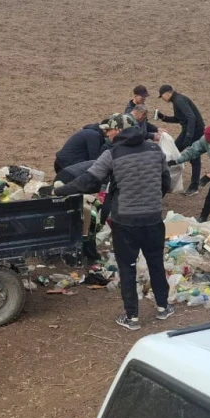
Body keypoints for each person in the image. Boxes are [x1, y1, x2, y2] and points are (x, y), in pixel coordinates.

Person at [51, 114, 173, 331]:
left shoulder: (112, 154)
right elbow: (166, 181)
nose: (106, 134)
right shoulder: (155, 150)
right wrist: (152, 201)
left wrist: (59, 191)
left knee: (128, 267)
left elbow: (88, 180)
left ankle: (132, 317)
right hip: (153, 219)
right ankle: (163, 307)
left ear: (119, 130)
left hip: (125, 222)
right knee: (156, 263)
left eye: (109, 130)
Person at [156, 85, 205, 195]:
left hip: (195, 131)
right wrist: (163, 117)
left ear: (167, 93)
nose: (162, 98)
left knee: (194, 157)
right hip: (189, 130)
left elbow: (191, 117)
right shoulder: (177, 100)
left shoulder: (179, 100)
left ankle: (194, 187)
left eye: (162, 96)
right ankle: (167, 180)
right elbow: (179, 119)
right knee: (174, 150)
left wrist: (189, 136)